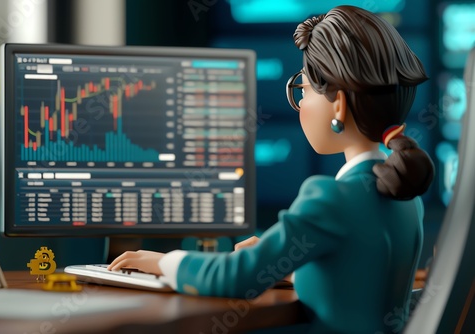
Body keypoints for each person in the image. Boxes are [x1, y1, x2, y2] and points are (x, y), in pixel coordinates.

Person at [108, 5, 434, 333]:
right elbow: (357, 276)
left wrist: (162, 262)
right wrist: (286, 263)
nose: (300, 105)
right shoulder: (406, 195)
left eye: (302, 90)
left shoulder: (331, 198)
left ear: (338, 103)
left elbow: (235, 279)